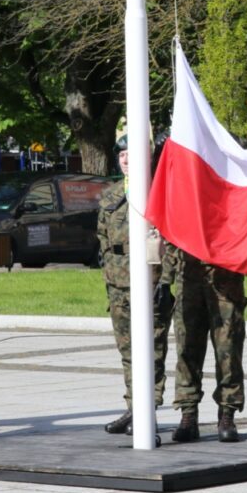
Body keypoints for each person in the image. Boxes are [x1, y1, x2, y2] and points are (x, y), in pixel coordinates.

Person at [97, 134, 177, 435]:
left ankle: (149, 413)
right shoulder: (111, 195)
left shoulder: (160, 192)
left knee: (152, 351)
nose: (127, 160)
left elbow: (172, 240)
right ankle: (133, 409)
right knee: (128, 351)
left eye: (132, 154)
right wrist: (109, 277)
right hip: (119, 286)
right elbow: (103, 240)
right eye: (122, 155)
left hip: (152, 283)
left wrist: (165, 281)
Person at [169, 251, 247, 444]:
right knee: (187, 347)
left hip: (225, 272)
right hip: (188, 272)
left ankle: (227, 414)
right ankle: (188, 414)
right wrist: (165, 277)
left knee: (228, 349)